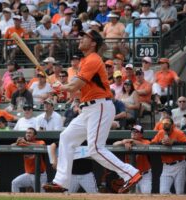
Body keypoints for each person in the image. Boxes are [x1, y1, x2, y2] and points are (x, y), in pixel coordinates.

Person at [43, 29, 141, 193]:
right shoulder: (85, 60)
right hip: (88, 108)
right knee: (66, 137)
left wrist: (63, 87)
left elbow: (74, 86)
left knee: (95, 148)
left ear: (94, 42)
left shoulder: (93, 59)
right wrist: (60, 89)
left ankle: (130, 173)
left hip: (100, 106)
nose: (80, 38)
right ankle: (61, 181)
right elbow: (76, 88)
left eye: (85, 36)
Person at [151, 116, 186, 194]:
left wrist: (174, 142)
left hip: (179, 164)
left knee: (179, 192)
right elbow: (152, 143)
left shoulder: (178, 132)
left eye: (167, 124)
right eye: (164, 124)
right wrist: (160, 143)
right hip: (166, 166)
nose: (165, 125)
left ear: (172, 125)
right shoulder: (161, 132)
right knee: (163, 191)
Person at [113, 125, 152, 193]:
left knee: (146, 194)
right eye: (132, 131)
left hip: (144, 175)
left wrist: (131, 141)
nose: (133, 133)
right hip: (132, 176)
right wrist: (123, 142)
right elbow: (114, 144)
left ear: (141, 134)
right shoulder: (126, 141)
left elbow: (146, 146)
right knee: (133, 195)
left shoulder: (145, 141)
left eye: (136, 132)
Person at [11, 127, 47, 192]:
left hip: (40, 176)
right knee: (15, 183)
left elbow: (42, 146)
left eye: (30, 133)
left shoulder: (40, 142)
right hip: (29, 175)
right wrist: (17, 143)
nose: (28, 134)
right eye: (27, 133)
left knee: (41, 196)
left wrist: (27, 143)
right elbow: (11, 147)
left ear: (35, 136)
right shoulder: (23, 143)